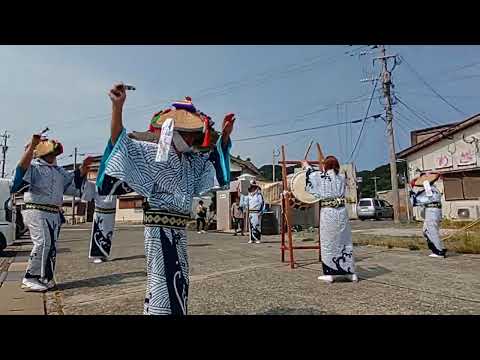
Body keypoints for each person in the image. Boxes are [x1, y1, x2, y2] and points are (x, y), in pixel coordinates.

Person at [96, 84, 235, 315]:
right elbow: (121, 142)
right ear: (175, 132)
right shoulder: (151, 153)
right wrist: (117, 107)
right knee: (162, 281)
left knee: (178, 280)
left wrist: (225, 138)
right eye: (189, 134)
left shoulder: (191, 161)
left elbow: (212, 159)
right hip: (159, 228)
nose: (193, 139)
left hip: (178, 229)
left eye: (194, 134)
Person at [10, 135, 92, 292]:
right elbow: (21, 170)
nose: (52, 156)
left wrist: (82, 169)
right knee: (42, 242)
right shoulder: (33, 167)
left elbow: (72, 182)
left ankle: (44, 277)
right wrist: (31, 146)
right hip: (36, 209)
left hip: (53, 211)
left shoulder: (59, 171)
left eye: (53, 153)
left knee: (51, 246)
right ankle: (30, 277)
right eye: (49, 153)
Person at [301, 156, 358, 283]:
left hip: (328, 213)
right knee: (344, 241)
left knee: (329, 242)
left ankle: (330, 273)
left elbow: (312, 174)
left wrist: (306, 165)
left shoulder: (322, 177)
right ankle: (350, 272)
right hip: (342, 212)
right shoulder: (342, 177)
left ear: (325, 166)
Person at [409, 172, 447, 258]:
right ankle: (439, 248)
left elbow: (416, 201)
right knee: (426, 230)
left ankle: (439, 252)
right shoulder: (433, 189)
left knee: (431, 231)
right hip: (432, 211)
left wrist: (412, 190)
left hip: (432, 211)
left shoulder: (429, 189)